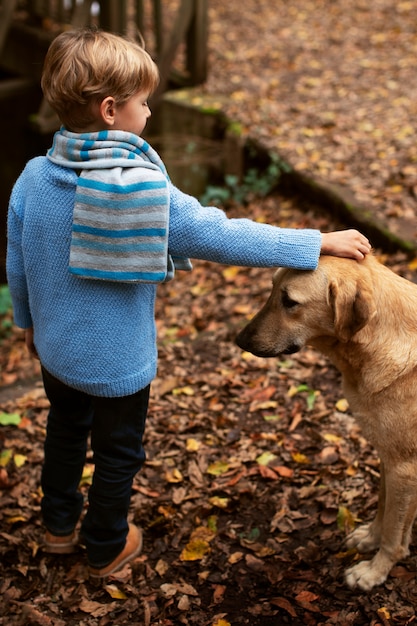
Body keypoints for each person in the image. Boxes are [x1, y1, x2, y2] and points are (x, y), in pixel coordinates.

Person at [6, 28, 371, 579]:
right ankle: (105, 545)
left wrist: (27, 321)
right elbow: (222, 235)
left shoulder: (34, 176)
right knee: (117, 453)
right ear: (110, 110)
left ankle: (58, 529)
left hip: (56, 350)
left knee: (64, 433)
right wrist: (315, 242)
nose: (149, 113)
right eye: (143, 102)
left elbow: (17, 258)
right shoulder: (141, 190)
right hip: (117, 364)